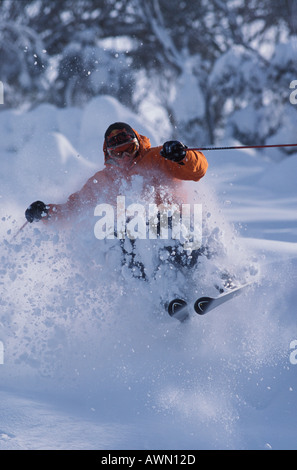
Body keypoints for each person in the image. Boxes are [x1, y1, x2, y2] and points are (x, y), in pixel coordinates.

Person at [25, 122, 208, 225]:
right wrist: (47, 212)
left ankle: (214, 276)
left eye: (130, 149)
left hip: (178, 223)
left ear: (138, 144)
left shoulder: (158, 158)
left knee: (170, 223)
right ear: (109, 155)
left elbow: (197, 171)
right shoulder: (104, 180)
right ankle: (155, 291)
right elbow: (76, 208)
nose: (126, 157)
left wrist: (182, 156)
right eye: (118, 153)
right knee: (118, 233)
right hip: (142, 236)